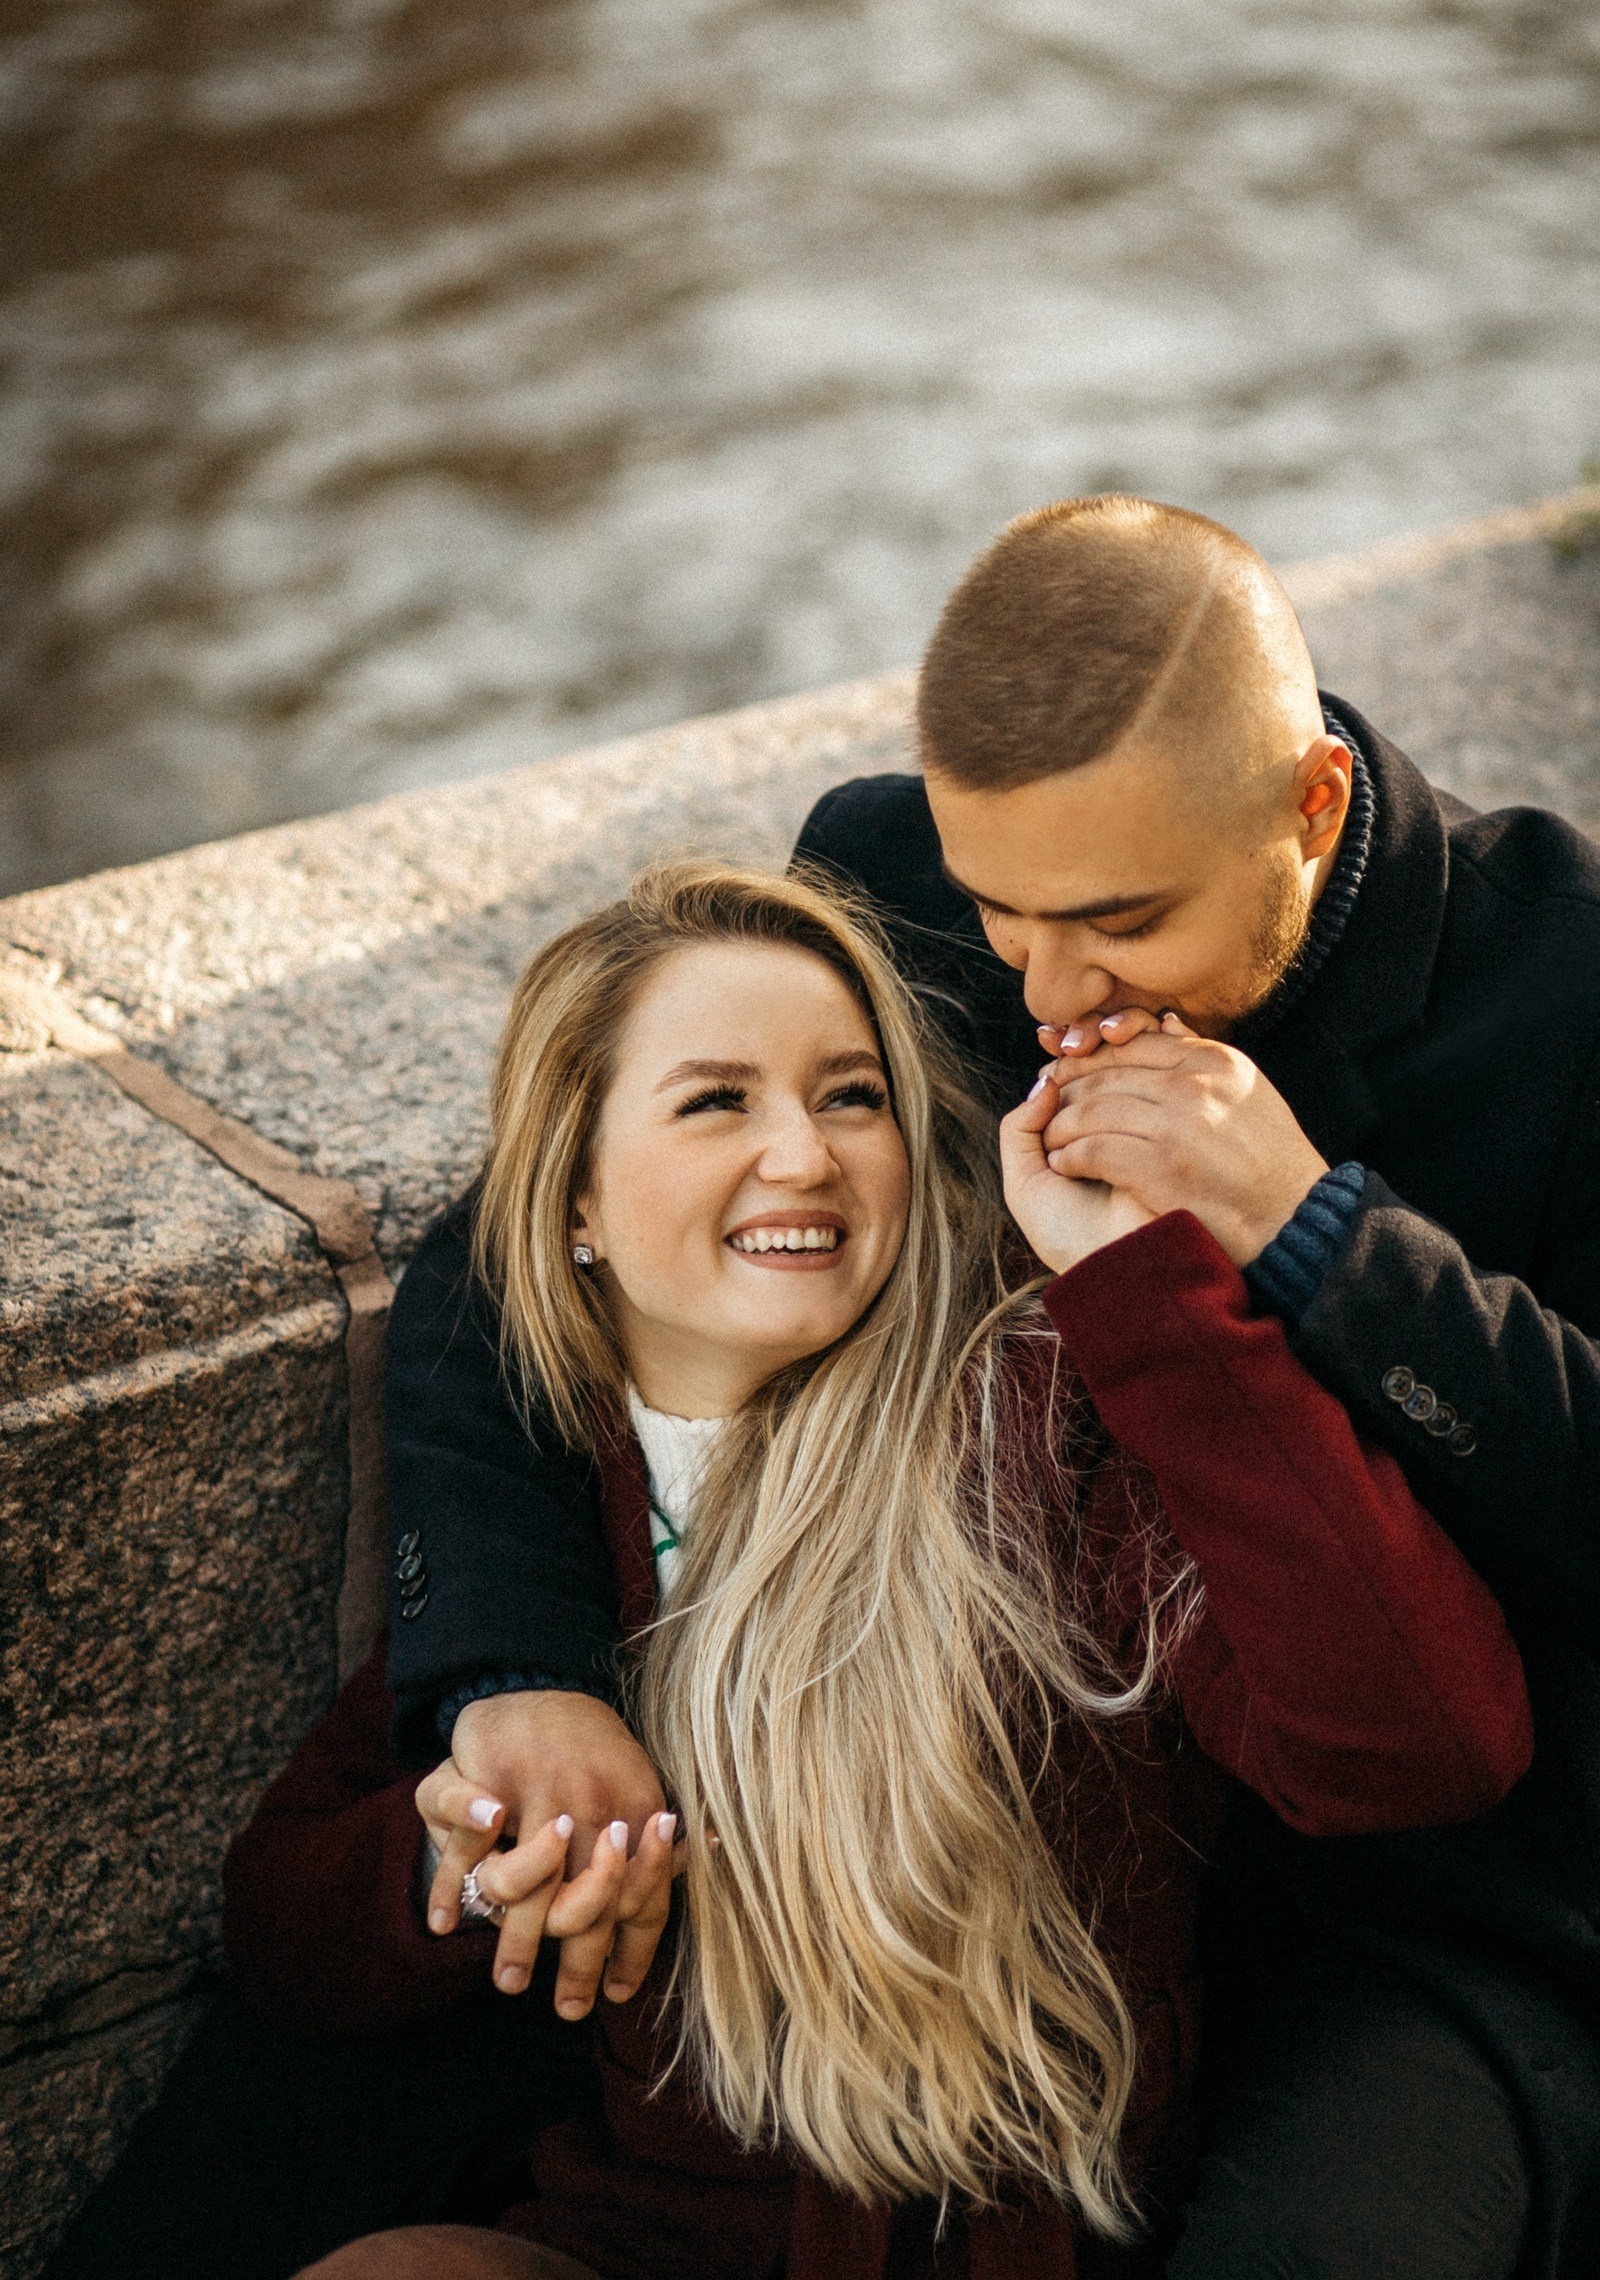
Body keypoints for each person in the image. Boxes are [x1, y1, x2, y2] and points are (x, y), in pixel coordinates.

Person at [384, 498, 1600, 2280]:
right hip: (1054, 1851)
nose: (1048, 990)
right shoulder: (890, 875)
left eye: (1118, 924)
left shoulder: (1563, 979)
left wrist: (1321, 1233)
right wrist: (515, 1672)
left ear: (1312, 805)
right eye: (1001, 915)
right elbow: (501, 1255)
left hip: (1421, 1907)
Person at [232, 858, 1528, 2280]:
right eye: (717, 1101)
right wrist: (479, 1861)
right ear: (574, 1201)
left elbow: (1422, 1747)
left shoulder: (1050, 1435)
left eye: (852, 1096)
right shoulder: (541, 1533)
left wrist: (1153, 1301)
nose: (804, 1156)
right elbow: (280, 1935)